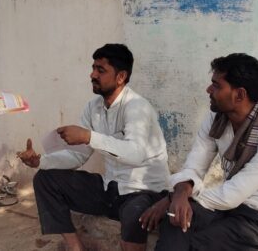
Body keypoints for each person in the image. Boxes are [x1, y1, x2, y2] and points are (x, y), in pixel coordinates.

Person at [17, 44, 170, 251]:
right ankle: (76, 247)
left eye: (101, 70)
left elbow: (135, 154)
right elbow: (77, 156)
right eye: (93, 68)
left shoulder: (137, 107)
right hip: (110, 189)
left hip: (142, 191)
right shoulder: (93, 107)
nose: (93, 75)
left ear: (121, 77)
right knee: (45, 179)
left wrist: (89, 137)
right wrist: (40, 161)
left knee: (135, 214)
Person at [139, 53, 258, 251]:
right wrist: (180, 193)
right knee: (175, 218)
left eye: (216, 85)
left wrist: (174, 197)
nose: (209, 90)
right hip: (228, 209)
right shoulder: (216, 119)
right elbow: (194, 168)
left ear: (239, 95)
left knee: (199, 243)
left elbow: (232, 195)